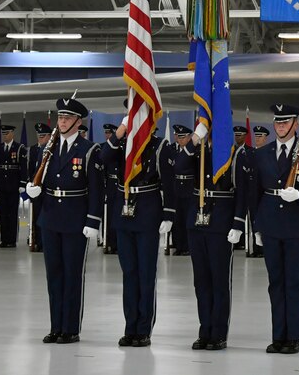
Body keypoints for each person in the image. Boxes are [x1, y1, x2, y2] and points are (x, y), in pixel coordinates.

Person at [25, 97, 103, 344]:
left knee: (72, 275)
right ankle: (56, 326)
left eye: (67, 118)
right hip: (50, 218)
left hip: (75, 219)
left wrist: (93, 221)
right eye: (60, 117)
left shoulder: (89, 150)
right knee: (54, 275)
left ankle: (70, 328)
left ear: (78, 122)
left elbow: (96, 189)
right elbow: (41, 177)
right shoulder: (48, 148)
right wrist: (34, 191)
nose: (62, 121)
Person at [250, 104, 299, 355]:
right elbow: (256, 194)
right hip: (271, 224)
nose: (281, 127)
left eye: (286, 122)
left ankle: (293, 336)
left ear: (296, 124)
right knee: (275, 283)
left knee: (294, 282)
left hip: (296, 225)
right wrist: (257, 226)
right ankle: (278, 335)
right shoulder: (263, 153)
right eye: (277, 122)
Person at [103, 116, 174, 348]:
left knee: (145, 274)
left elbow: (168, 181)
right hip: (123, 212)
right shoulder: (122, 143)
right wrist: (121, 130)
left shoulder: (159, 145)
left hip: (146, 211)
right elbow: (103, 157)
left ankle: (143, 329)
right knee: (129, 273)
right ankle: (130, 327)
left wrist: (168, 213)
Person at [186, 131, 249, 351]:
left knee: (219, 281)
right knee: (201, 281)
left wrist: (238, 223)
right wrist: (195, 138)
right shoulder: (198, 150)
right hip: (197, 221)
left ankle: (218, 333)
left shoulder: (236, 154)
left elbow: (243, 191)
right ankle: (205, 330)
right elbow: (179, 166)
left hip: (221, 222)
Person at [0, 124, 28, 248]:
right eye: (3, 134)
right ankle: (3, 238)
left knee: (12, 213)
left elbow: (23, 168)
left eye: (7, 133)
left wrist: (22, 183)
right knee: (2, 213)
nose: (5, 136)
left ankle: (12, 240)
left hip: (14, 185)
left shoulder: (19, 148)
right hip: (2, 185)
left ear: (12, 134)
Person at [171, 124, 197, 257]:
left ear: (189, 137)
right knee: (177, 219)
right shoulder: (172, 150)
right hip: (176, 187)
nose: (181, 140)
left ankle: (187, 246)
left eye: (183, 137)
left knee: (188, 218)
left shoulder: (194, 150)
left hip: (189, 186)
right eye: (179, 137)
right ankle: (178, 245)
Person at [26, 122, 52, 252]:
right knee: (37, 217)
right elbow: (34, 170)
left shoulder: (51, 149)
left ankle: (45, 243)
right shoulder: (37, 149)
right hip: (37, 190)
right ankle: (38, 242)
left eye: (43, 136)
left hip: (48, 190)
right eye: (39, 136)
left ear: (49, 136)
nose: (40, 138)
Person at [246, 125, 269, 258]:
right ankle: (254, 247)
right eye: (256, 136)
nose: (257, 138)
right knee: (253, 220)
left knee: (264, 221)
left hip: (264, 193)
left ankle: (263, 248)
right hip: (252, 193)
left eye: (260, 136)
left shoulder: (268, 154)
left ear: (265, 138)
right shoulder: (250, 153)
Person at [100, 123, 121, 254]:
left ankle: (117, 243)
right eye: (106, 133)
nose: (107, 135)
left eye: (110, 133)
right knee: (107, 216)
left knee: (117, 215)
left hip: (118, 183)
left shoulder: (119, 147)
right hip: (109, 185)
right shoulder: (103, 148)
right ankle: (108, 242)